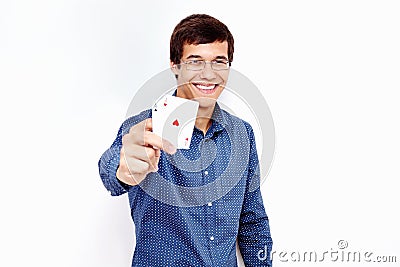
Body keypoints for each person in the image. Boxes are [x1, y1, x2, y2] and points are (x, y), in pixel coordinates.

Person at [98, 14, 273, 266]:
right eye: (195, 61)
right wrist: (123, 168)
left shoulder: (242, 134)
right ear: (175, 66)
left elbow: (253, 223)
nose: (208, 73)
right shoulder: (144, 127)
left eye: (219, 61)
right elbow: (110, 173)